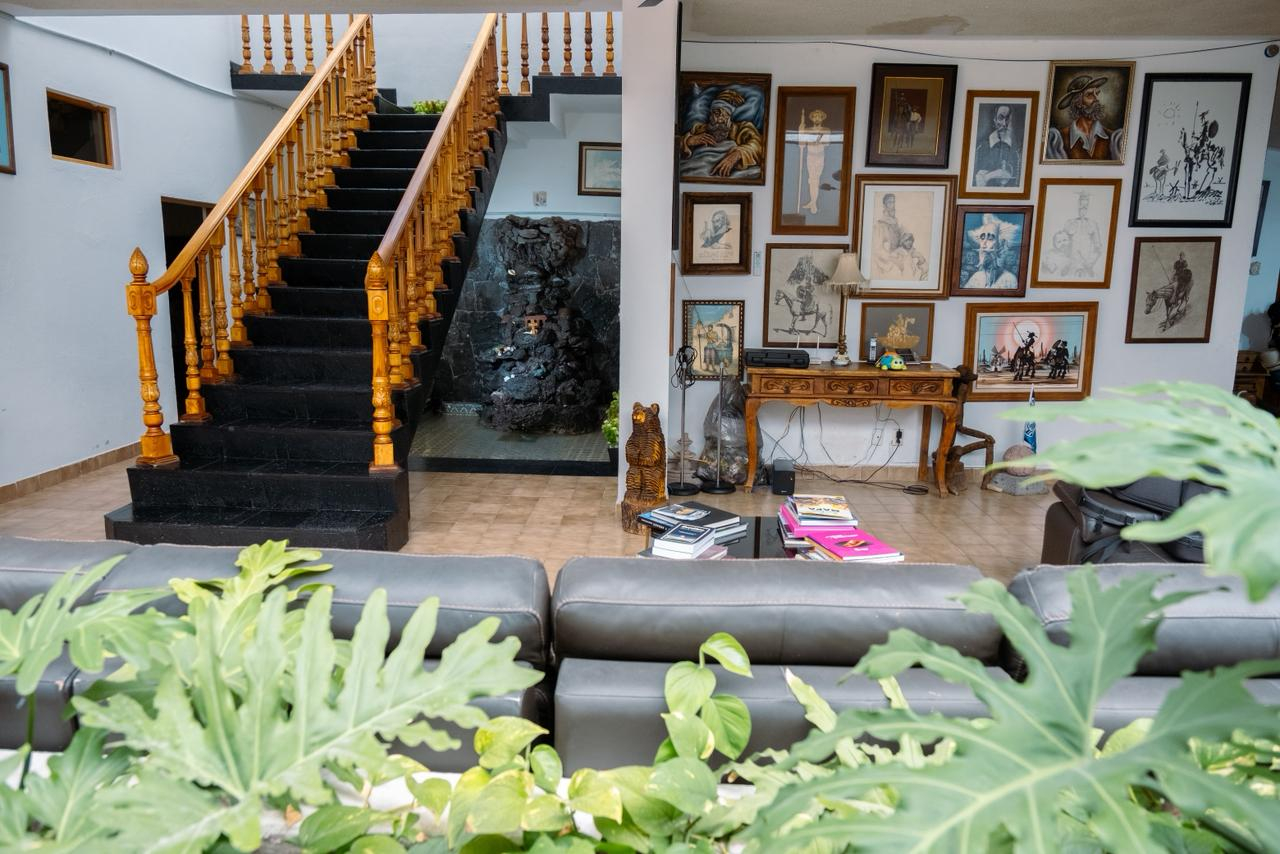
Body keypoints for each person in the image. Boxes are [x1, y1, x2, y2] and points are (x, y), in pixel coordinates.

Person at [680, 88, 765, 180]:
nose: (720, 119)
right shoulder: (699, 128)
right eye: (717, 113)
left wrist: (738, 154)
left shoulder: (742, 128)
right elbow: (674, 145)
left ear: (730, 117)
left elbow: (758, 144)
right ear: (710, 115)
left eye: (725, 115)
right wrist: (688, 141)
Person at [1044, 74, 1125, 161]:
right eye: (1090, 94)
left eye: (1096, 93)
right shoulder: (1058, 139)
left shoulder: (1115, 139)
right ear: (1078, 103)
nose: (1096, 99)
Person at [962, 213, 1019, 289]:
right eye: (982, 238)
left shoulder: (1010, 280)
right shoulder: (976, 278)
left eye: (990, 239)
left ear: (1001, 245)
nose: (984, 245)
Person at [973, 104, 1020, 187]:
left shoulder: (1016, 150)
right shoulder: (981, 148)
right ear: (994, 120)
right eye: (1001, 118)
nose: (1004, 124)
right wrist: (992, 175)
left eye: (1007, 119)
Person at [797, 108, 830, 215]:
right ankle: (813, 202)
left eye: (819, 116)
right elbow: (802, 144)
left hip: (819, 157)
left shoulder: (826, 130)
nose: (817, 118)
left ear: (822, 118)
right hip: (810, 156)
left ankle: (813, 202)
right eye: (815, 116)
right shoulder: (807, 130)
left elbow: (826, 144)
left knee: (816, 179)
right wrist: (801, 131)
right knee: (812, 180)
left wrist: (817, 139)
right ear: (811, 118)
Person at [1062, 191, 1103, 277]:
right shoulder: (1069, 223)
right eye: (1080, 205)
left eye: (1086, 206)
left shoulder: (1093, 224)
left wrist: (1090, 263)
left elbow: (1098, 247)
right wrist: (1067, 262)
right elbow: (1062, 243)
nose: (1083, 209)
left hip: (1087, 263)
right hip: (1071, 263)